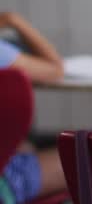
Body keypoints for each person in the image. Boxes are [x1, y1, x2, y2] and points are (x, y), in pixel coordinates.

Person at [0, 12, 66, 203]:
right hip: (5, 182)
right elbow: (56, 69)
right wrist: (13, 19)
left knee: (26, 146)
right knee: (85, 158)